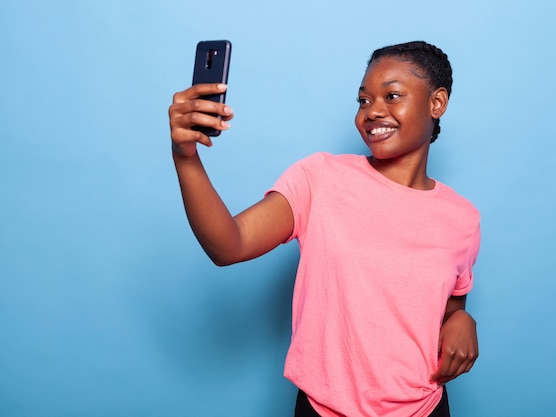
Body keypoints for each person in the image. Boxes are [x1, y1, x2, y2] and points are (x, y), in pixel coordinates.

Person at [168, 40, 480, 417]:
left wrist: (462, 318)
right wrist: (185, 158)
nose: (372, 112)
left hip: (425, 408)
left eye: (391, 95)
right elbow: (229, 245)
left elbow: (446, 304)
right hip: (325, 410)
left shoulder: (462, 218)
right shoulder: (320, 178)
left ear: (437, 103)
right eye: (363, 100)